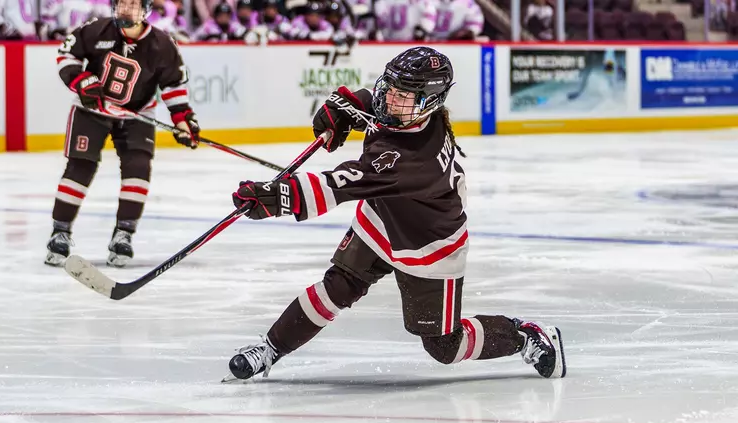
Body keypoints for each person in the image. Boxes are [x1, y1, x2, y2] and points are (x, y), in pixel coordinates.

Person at [227, 47, 566, 381]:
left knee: (444, 347)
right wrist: (343, 106)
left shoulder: (410, 162)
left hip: (428, 247)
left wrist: (275, 198)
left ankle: (525, 336)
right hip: (381, 222)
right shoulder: (408, 113)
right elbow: (368, 102)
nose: (390, 100)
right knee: (338, 286)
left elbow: (337, 186)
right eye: (390, 88)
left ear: (429, 101)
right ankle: (270, 348)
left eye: (403, 96)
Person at [45, 0, 200, 268]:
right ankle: (60, 232)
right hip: (91, 111)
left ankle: (123, 234)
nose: (126, 9)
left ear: (145, 9)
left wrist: (183, 120)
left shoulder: (162, 45)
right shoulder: (96, 30)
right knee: (80, 167)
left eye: (133, 4)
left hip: (136, 115)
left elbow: (174, 86)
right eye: (122, 3)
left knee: (138, 168)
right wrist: (81, 81)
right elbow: (65, 55)